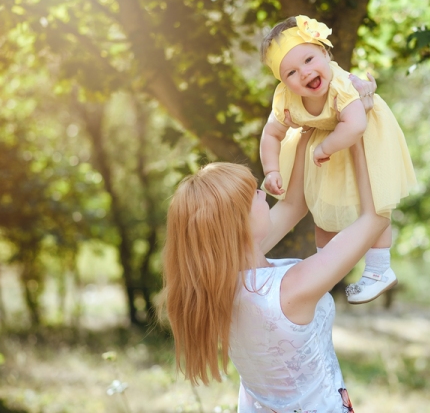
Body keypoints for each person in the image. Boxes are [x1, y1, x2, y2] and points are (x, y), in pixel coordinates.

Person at [162, 128, 387, 412]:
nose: (261, 192)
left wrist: (307, 137)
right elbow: (376, 218)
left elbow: (294, 204)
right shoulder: (291, 288)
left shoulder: (218, 280)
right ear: (240, 224)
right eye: (252, 195)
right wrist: (356, 139)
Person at [259, 15, 416, 304]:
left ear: (325, 53)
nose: (304, 73)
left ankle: (379, 270)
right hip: (326, 147)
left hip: (362, 135)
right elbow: (271, 134)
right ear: (283, 83)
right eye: (291, 73)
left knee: (375, 203)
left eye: (308, 60)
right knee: (324, 212)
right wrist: (271, 169)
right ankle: (324, 271)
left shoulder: (342, 85)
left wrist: (325, 148)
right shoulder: (286, 99)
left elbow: (356, 125)